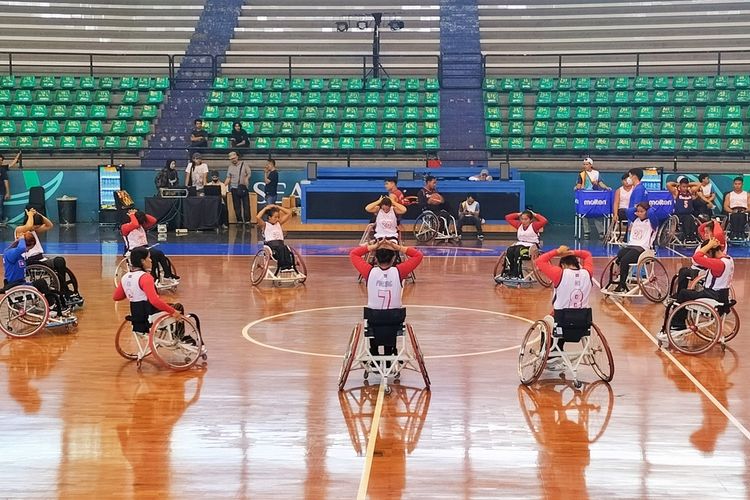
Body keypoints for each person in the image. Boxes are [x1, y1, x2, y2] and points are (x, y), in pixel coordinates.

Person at [349, 239, 423, 356]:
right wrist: (398, 247)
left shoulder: (369, 272)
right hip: (395, 318)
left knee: (373, 322)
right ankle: (390, 352)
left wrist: (373, 246)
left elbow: (353, 254)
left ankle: (373, 352)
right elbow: (418, 255)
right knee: (391, 322)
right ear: (393, 259)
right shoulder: (399, 271)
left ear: (376, 259)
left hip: (374, 318)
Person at [660, 237, 733, 335]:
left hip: (713, 295)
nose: (707, 257)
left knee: (683, 293)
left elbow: (696, 257)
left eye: (707, 254)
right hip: (723, 294)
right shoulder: (729, 259)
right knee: (688, 293)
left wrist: (708, 246)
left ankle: (677, 324)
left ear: (711, 251)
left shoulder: (718, 264)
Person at [14, 208, 82, 306]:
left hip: (42, 259)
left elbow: (49, 225)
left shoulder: (33, 231)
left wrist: (38, 214)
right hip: (30, 261)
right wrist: (30, 215)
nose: (36, 227)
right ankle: (65, 293)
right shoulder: (19, 230)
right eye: (35, 225)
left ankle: (63, 289)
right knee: (54, 268)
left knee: (59, 261)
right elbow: (28, 225)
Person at [535, 245, 594, 356]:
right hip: (583, 323)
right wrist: (571, 252)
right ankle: (558, 350)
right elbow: (587, 255)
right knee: (562, 317)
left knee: (547, 322)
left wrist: (557, 251)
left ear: (562, 265)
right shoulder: (588, 273)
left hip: (561, 321)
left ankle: (550, 354)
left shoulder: (559, 273)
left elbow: (540, 261)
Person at [112, 247, 180, 335]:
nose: (151, 260)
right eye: (148, 258)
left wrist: (131, 289)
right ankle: (179, 337)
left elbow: (116, 297)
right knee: (178, 307)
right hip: (149, 315)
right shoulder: (146, 277)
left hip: (136, 316)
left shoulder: (125, 277)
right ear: (142, 261)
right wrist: (173, 312)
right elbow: (154, 301)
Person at [3, 232, 68, 318]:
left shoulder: (15, 254)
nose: (28, 250)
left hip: (21, 284)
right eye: (29, 248)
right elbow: (22, 248)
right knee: (41, 283)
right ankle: (51, 308)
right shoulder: (10, 253)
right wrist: (22, 238)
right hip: (15, 285)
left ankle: (56, 305)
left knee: (50, 290)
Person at [121, 209, 180, 285]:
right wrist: (132, 215)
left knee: (158, 254)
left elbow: (153, 220)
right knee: (155, 253)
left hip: (144, 248)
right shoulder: (125, 227)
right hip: (134, 251)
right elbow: (134, 224)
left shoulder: (140, 226)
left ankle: (166, 274)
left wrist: (140, 213)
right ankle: (158, 275)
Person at [612, 202, 659, 292]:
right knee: (620, 254)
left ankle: (622, 285)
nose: (639, 213)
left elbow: (651, 213)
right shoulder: (636, 220)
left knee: (625, 260)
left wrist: (647, 209)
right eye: (637, 211)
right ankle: (619, 276)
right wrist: (637, 208)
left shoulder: (652, 222)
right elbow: (629, 211)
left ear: (647, 212)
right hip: (632, 246)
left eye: (642, 211)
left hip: (644, 249)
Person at [502, 210, 548, 279]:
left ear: (530, 219)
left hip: (532, 247)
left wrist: (534, 214)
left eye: (526, 219)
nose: (523, 221)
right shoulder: (519, 225)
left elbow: (544, 221)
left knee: (518, 250)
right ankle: (509, 271)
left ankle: (517, 274)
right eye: (522, 219)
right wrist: (519, 214)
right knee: (510, 250)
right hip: (520, 244)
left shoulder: (534, 226)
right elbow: (507, 217)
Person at [256, 204, 298, 274]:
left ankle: (288, 266)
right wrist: (266, 208)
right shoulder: (265, 225)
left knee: (285, 248)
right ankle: (283, 267)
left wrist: (277, 207)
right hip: (271, 247)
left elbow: (289, 213)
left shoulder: (279, 223)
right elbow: (258, 217)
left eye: (278, 217)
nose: (277, 219)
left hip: (280, 244)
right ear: (269, 217)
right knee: (282, 248)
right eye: (275, 217)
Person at [574, 158, 609, 239]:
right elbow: (579, 185)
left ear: (591, 165)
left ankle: (601, 232)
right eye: (584, 164)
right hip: (584, 196)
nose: (585, 166)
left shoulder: (596, 173)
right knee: (584, 213)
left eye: (587, 164)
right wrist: (576, 187)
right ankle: (587, 232)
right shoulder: (581, 174)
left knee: (597, 213)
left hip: (594, 196)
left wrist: (606, 187)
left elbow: (600, 183)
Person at [666, 177, 699, 243]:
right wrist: (677, 184)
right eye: (683, 186)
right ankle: (687, 237)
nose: (685, 188)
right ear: (680, 186)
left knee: (691, 218)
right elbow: (668, 184)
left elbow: (698, 184)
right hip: (679, 215)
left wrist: (688, 184)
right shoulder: (676, 192)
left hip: (688, 214)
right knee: (687, 218)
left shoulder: (690, 192)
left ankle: (692, 237)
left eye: (686, 187)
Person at [225, 151, 250, 224]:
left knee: (246, 205)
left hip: (243, 187)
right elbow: (228, 178)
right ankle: (239, 220)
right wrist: (223, 185)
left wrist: (246, 178)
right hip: (234, 188)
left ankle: (247, 220)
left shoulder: (244, 164)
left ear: (237, 157)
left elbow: (249, 173)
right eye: (231, 159)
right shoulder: (230, 167)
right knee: (236, 205)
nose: (233, 160)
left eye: (234, 158)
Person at [0, 152, 19, 225]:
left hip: (1, 192)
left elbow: (12, 164)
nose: (0, 161)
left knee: (0, 207)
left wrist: (17, 157)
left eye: (1, 160)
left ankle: (1, 221)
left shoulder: (3, 168)